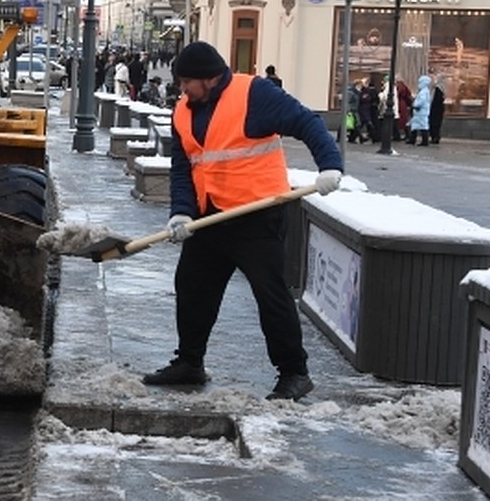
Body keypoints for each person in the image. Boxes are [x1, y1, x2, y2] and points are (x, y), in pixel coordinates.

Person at [143, 41, 343, 401]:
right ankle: (189, 362)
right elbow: (182, 168)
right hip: (209, 216)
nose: (182, 89)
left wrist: (330, 165)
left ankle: (294, 373)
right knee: (191, 288)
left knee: (271, 296)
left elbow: (306, 122)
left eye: (187, 82)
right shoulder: (184, 111)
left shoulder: (254, 93)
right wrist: (181, 211)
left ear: (209, 78)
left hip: (256, 215)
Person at [407, 75, 432, 146]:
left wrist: (415, 104)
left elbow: (421, 101)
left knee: (422, 126)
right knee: (416, 126)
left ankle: (424, 141)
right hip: (420, 112)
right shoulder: (424, 91)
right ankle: (413, 139)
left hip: (421, 112)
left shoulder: (424, 92)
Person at [429, 76, 446, 144]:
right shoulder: (443, 88)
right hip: (439, 108)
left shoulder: (437, 89)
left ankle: (435, 137)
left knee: (434, 123)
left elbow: (435, 100)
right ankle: (436, 136)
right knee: (437, 123)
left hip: (435, 109)